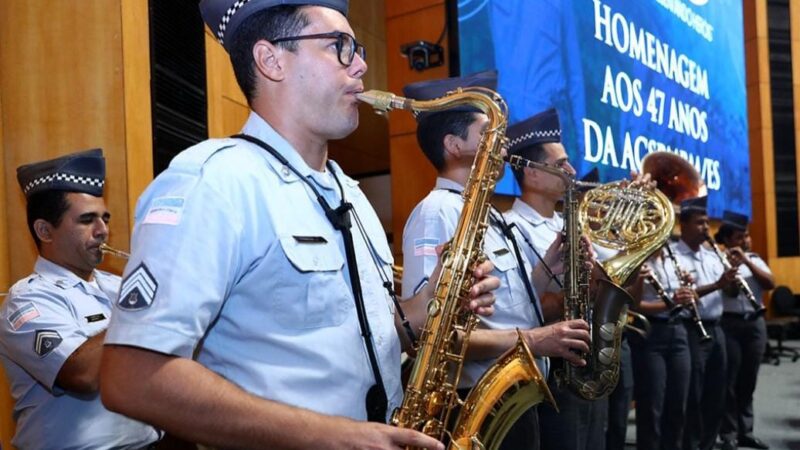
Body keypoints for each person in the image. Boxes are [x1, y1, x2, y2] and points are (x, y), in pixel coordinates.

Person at [98, 2, 498, 449]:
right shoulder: (213, 181)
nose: (362, 64)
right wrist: (337, 437)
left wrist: (433, 301)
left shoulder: (350, 193)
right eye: (339, 47)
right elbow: (130, 376)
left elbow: (367, 328)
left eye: (357, 48)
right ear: (271, 60)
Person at [401, 74, 592, 450]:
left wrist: (544, 273)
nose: (500, 142)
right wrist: (536, 341)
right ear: (454, 145)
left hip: (514, 391)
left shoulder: (490, 214)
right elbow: (428, 334)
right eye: (487, 132)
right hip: (479, 397)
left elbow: (505, 307)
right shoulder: (437, 211)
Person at [0, 149, 160, 450]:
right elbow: (82, 374)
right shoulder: (27, 301)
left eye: (104, 218)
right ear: (45, 231)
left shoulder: (119, 287)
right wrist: (143, 302)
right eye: (87, 220)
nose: (103, 231)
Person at [503, 108, 611, 450]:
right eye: (561, 164)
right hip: (553, 370)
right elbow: (522, 308)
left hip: (586, 359)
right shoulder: (510, 228)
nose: (572, 171)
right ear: (532, 173)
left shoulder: (566, 225)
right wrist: (584, 292)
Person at [674, 196, 738, 450]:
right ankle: (691, 444)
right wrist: (717, 284)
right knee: (694, 394)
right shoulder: (674, 255)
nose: (705, 228)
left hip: (717, 328)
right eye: (700, 223)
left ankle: (708, 444)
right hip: (690, 329)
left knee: (717, 392)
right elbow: (682, 297)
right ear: (684, 225)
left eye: (706, 223)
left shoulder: (712, 255)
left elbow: (730, 293)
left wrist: (731, 278)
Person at [715, 211, 773, 450]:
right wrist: (731, 268)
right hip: (729, 323)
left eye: (746, 236)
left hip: (755, 323)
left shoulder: (755, 258)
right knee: (730, 380)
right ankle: (728, 433)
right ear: (728, 239)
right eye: (740, 237)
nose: (745, 241)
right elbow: (728, 293)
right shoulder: (717, 259)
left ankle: (746, 430)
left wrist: (746, 261)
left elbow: (770, 283)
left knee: (748, 380)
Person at [630, 248, 695, 450]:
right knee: (652, 405)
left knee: (678, 403)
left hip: (679, 330)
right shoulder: (638, 258)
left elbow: (688, 297)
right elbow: (634, 305)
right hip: (651, 332)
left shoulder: (675, 258)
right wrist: (670, 303)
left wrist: (689, 291)